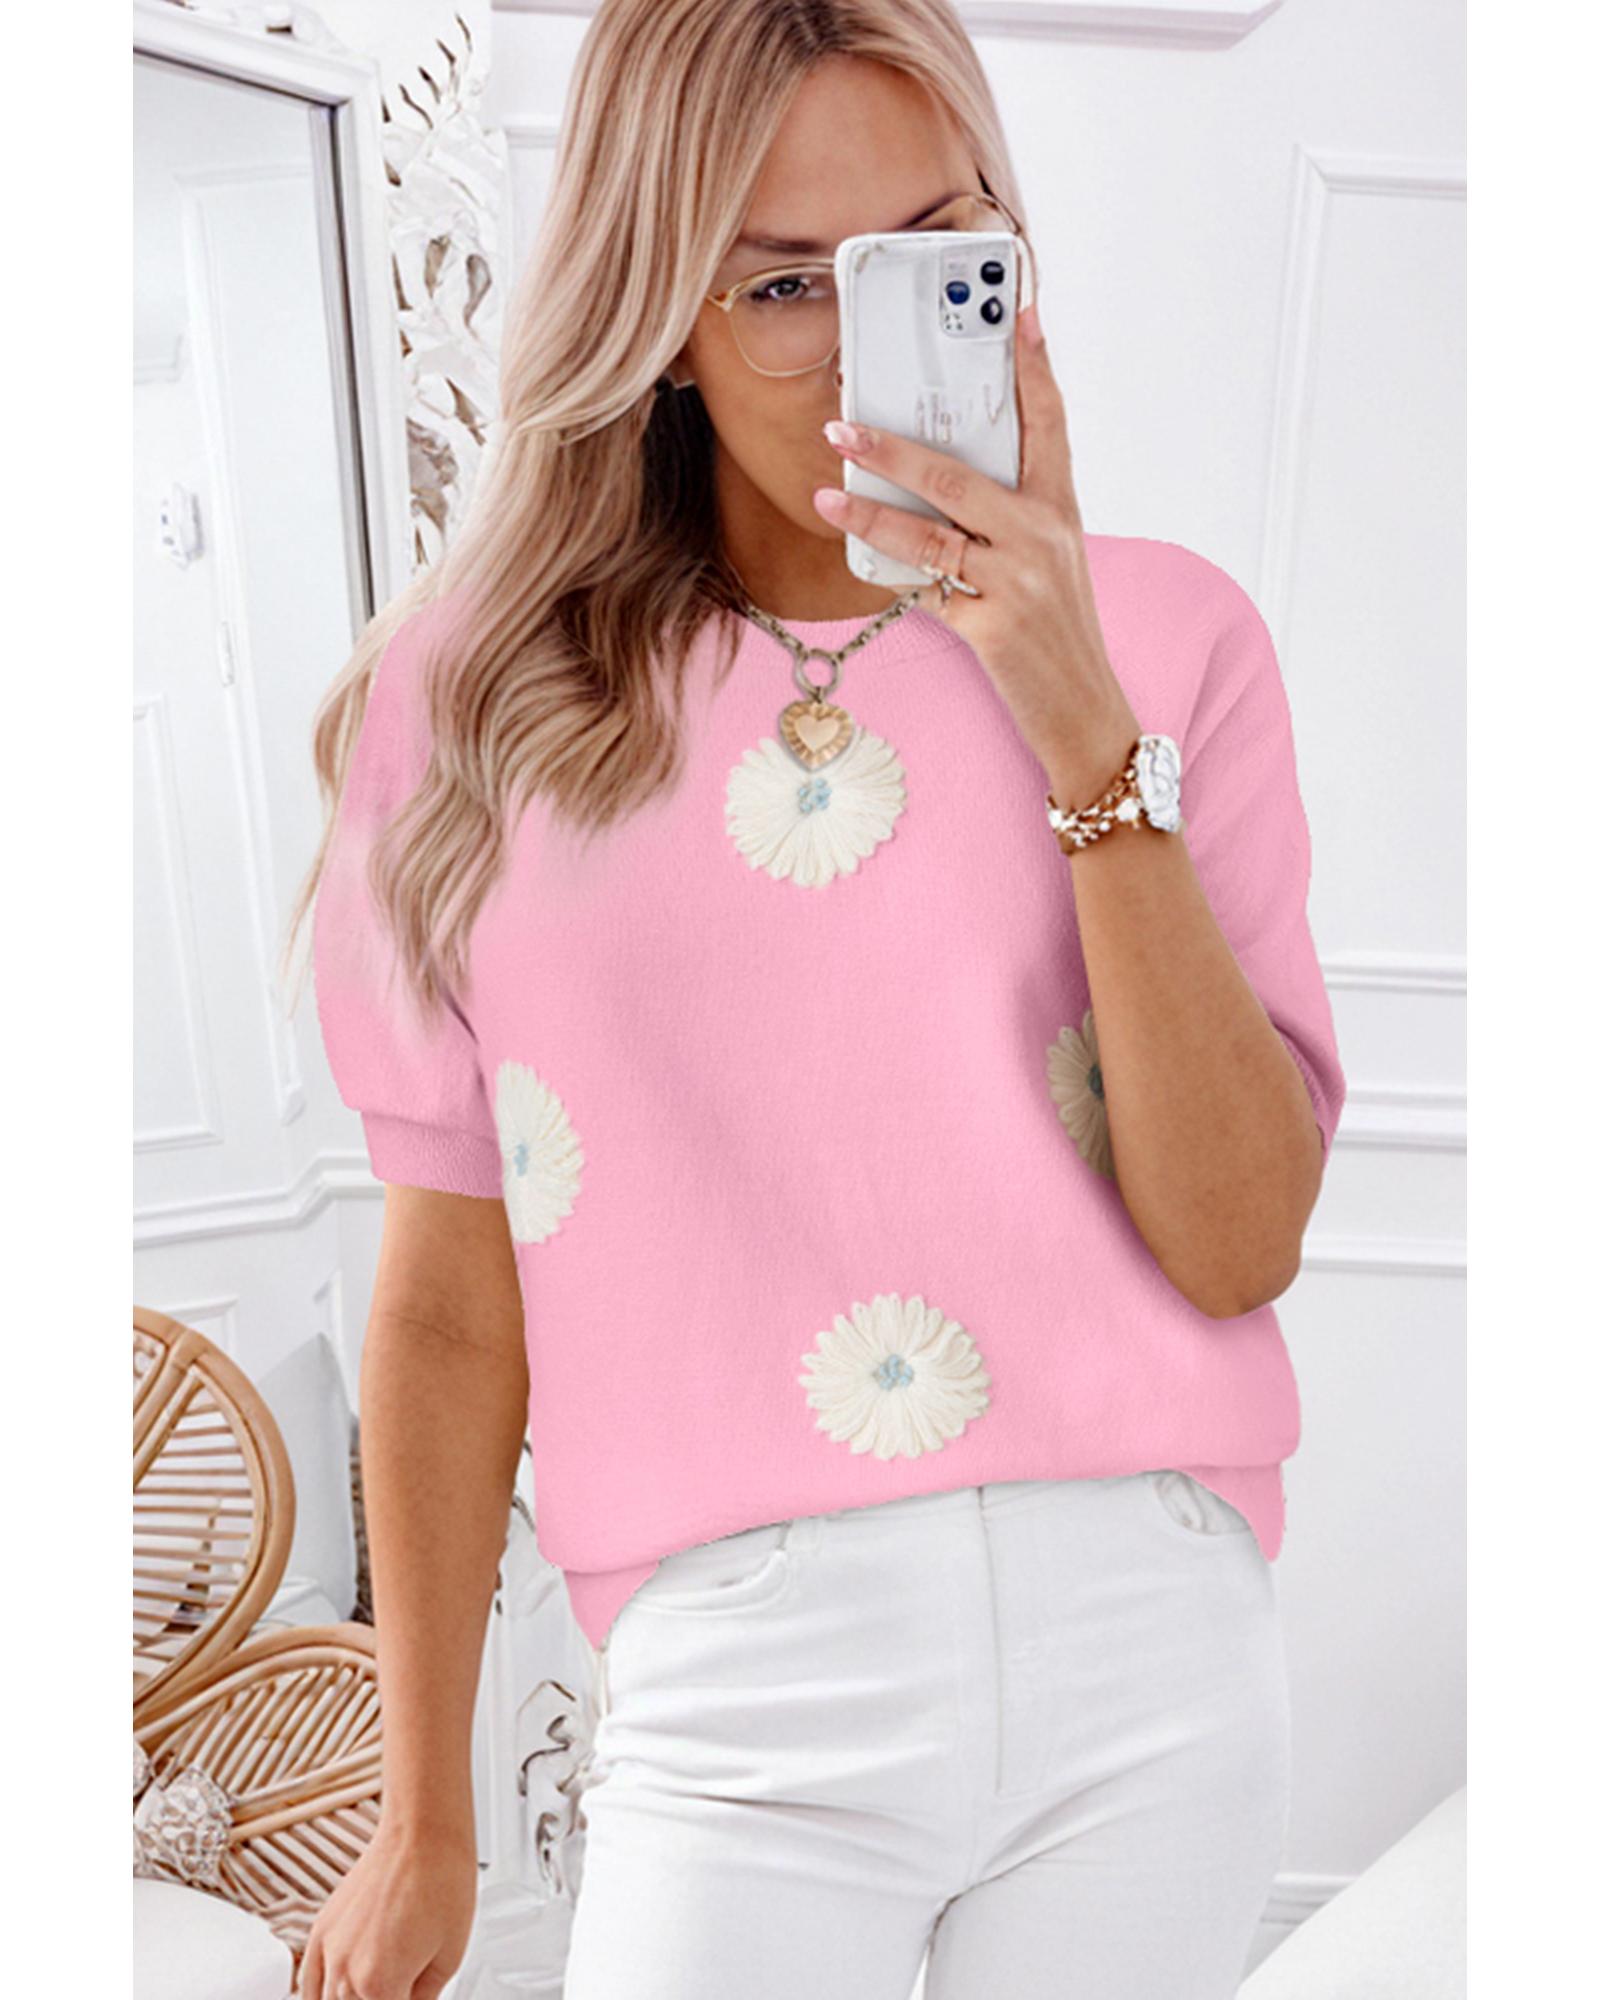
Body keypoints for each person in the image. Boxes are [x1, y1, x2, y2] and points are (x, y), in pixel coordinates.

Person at [292, 3, 1345, 1995]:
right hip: (738, 1678)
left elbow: (1237, 1242)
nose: (869, 360)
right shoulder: (477, 703)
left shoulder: (1174, 640)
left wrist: (1074, 717)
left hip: (1152, 1641)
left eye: (931, 255)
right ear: (659, 324)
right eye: (784, 284)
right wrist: (421, 1816)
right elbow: (446, 1300)